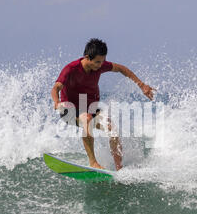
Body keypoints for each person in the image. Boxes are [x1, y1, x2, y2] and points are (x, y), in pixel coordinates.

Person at [51, 38, 155, 171]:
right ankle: (93, 162)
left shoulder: (100, 65)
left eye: (102, 61)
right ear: (87, 57)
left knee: (111, 127)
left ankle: (119, 168)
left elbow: (121, 69)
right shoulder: (71, 69)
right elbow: (56, 88)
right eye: (97, 62)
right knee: (87, 119)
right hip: (69, 110)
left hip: (90, 108)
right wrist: (56, 102)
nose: (100, 65)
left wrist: (142, 85)